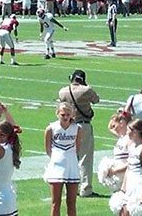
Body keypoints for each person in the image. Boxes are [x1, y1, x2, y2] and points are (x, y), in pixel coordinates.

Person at [57, 69, 99, 197]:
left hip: (68, 126)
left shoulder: (63, 91)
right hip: (83, 125)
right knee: (85, 158)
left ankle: (69, 188)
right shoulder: (86, 90)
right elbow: (96, 100)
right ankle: (85, 188)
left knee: (70, 157)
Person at [109, 119, 142, 216]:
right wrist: (122, 190)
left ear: (135, 132)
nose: (126, 133)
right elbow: (129, 169)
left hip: (140, 186)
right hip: (129, 185)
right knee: (122, 213)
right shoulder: (131, 146)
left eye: (128, 130)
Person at [44, 102, 80, 216]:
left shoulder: (77, 128)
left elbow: (77, 148)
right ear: (57, 113)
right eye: (63, 114)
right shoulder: (51, 128)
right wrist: (57, 157)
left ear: (72, 115)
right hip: (56, 167)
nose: (65, 117)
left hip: (72, 166)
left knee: (72, 202)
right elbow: (48, 149)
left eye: (68, 114)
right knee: (56, 202)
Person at [98, 110, 131, 192]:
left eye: (114, 125)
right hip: (118, 175)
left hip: (125, 176)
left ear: (122, 123)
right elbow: (109, 127)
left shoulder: (129, 139)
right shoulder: (121, 137)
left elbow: (132, 162)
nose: (113, 127)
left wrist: (115, 171)